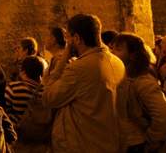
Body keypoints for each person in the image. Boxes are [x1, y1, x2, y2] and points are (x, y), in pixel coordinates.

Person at [42, 14, 125, 153]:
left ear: (77, 38)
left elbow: (48, 97)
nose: (67, 42)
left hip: (84, 143)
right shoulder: (117, 62)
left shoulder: (79, 68)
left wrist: (63, 61)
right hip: (107, 142)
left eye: (68, 38)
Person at [112, 33, 166, 152]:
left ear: (133, 55)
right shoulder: (123, 77)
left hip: (137, 144)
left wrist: (151, 139)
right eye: (112, 48)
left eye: (118, 49)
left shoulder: (142, 82)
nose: (112, 53)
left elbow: (164, 115)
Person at [5, 56, 45, 125]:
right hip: (39, 132)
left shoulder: (13, 87)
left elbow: (6, 109)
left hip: (17, 130)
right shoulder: (45, 91)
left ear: (23, 71)